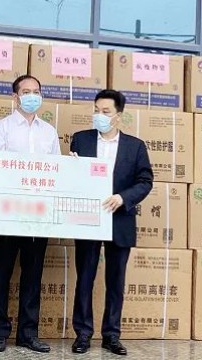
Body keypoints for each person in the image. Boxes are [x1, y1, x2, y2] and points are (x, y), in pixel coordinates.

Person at [69, 89, 153, 355]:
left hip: (120, 218)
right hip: (88, 217)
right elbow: (71, 179)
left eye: (105, 112)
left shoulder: (135, 146)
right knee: (85, 277)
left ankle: (111, 335)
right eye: (96, 110)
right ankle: (83, 334)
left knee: (116, 280)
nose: (100, 116)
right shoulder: (80, 140)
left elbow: (145, 181)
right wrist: (70, 167)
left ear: (119, 115)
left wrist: (123, 197)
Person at [0, 75, 59, 354]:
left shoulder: (49, 132)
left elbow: (56, 172)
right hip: (7, 212)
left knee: (33, 275)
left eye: (36, 91)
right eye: (26, 92)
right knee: (0, 274)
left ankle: (28, 333)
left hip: (38, 215)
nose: (32, 96)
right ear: (15, 97)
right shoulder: (2, 128)